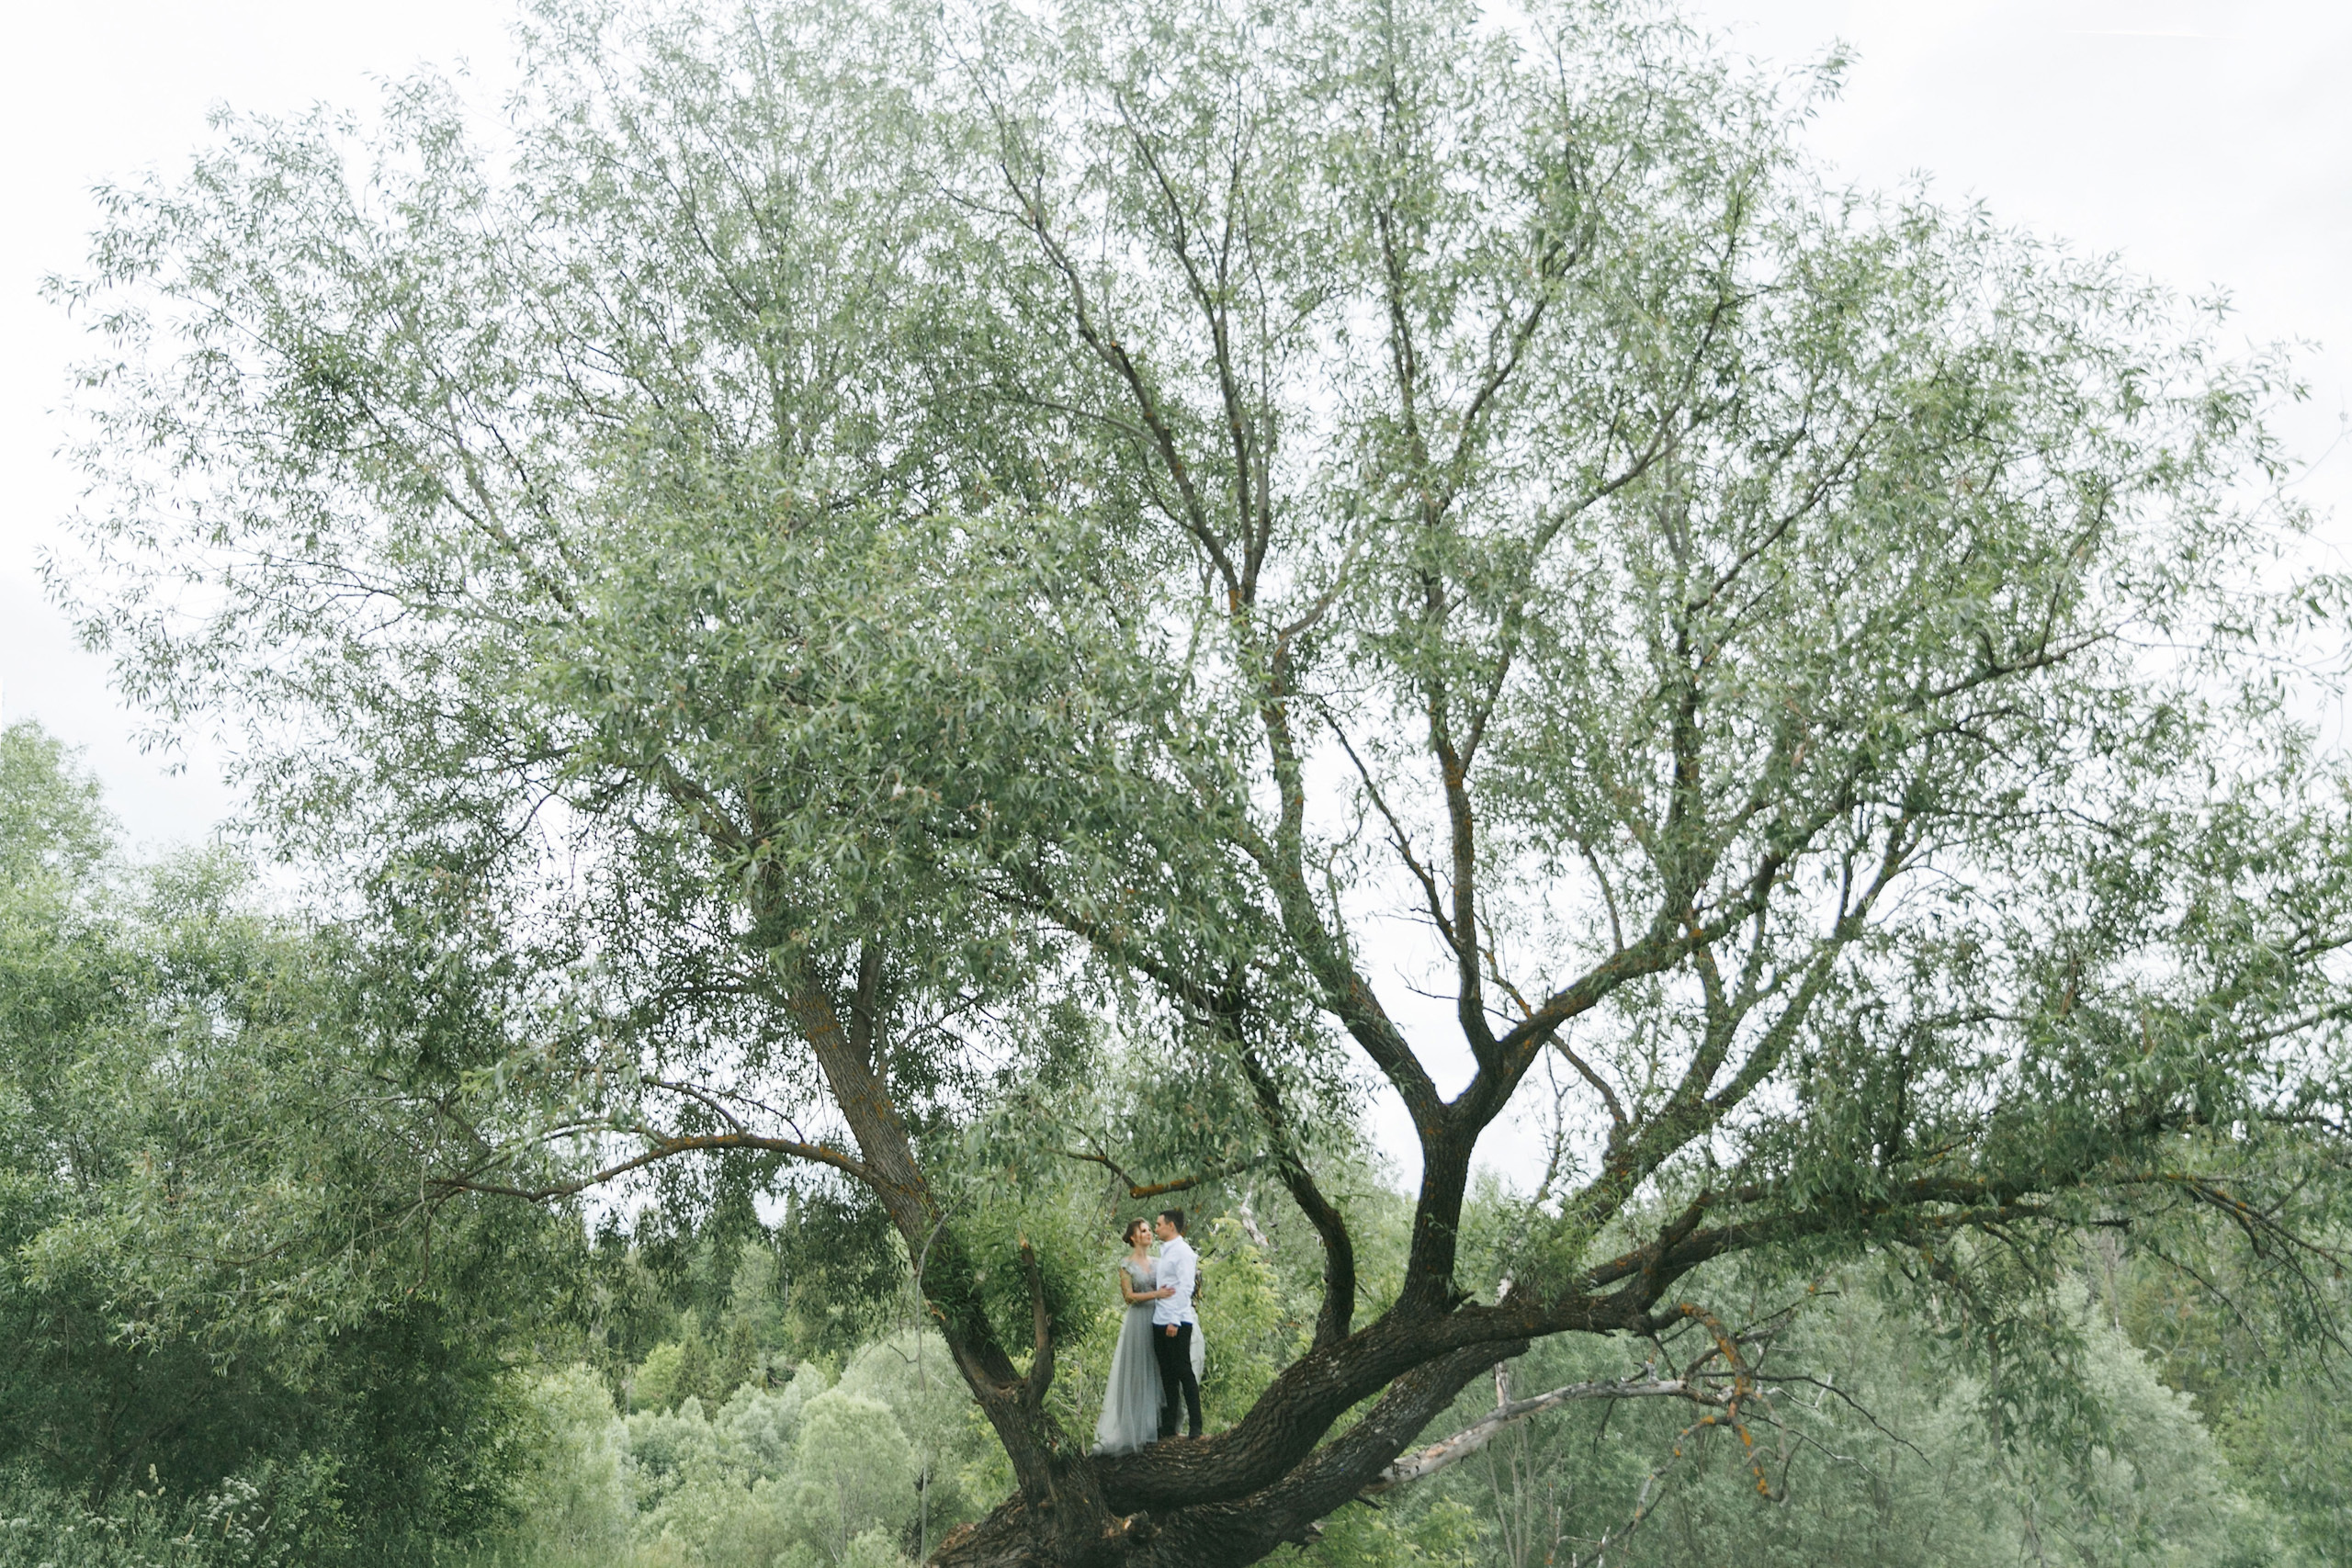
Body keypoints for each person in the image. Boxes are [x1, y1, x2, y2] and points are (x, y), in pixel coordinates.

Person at [1091, 1218, 1164, 1454]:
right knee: (1137, 1370)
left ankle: (1158, 1425)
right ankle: (1135, 1429)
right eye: (1144, 1231)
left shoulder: (1158, 1262)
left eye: (1150, 1230)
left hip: (1159, 1316)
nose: (1149, 1234)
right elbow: (1129, 1296)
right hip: (1138, 1320)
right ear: (1133, 1237)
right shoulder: (1126, 1264)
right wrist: (1157, 1293)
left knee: (1158, 1368)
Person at [1149, 1208, 1202, 1439]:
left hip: (1176, 1321)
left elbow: (1185, 1287)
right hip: (1159, 1320)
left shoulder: (1183, 1252)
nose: (1156, 1228)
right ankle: (1170, 1425)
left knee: (1183, 1372)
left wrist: (1174, 1321)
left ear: (1171, 1226)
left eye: (1159, 1224)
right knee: (1167, 1375)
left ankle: (1196, 1426)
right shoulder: (1166, 1252)